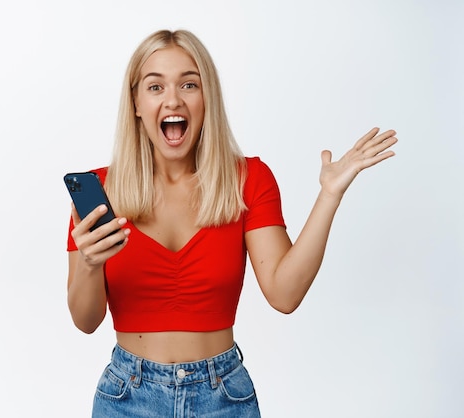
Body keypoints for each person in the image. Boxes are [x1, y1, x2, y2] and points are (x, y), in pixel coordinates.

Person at [66, 29, 397, 418]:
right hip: (126, 398)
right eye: (155, 87)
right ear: (136, 102)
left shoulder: (248, 180)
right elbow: (85, 321)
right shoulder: (100, 190)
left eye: (190, 84)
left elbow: (284, 294)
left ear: (208, 99)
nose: (173, 99)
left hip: (222, 397)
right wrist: (89, 263)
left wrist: (329, 195)